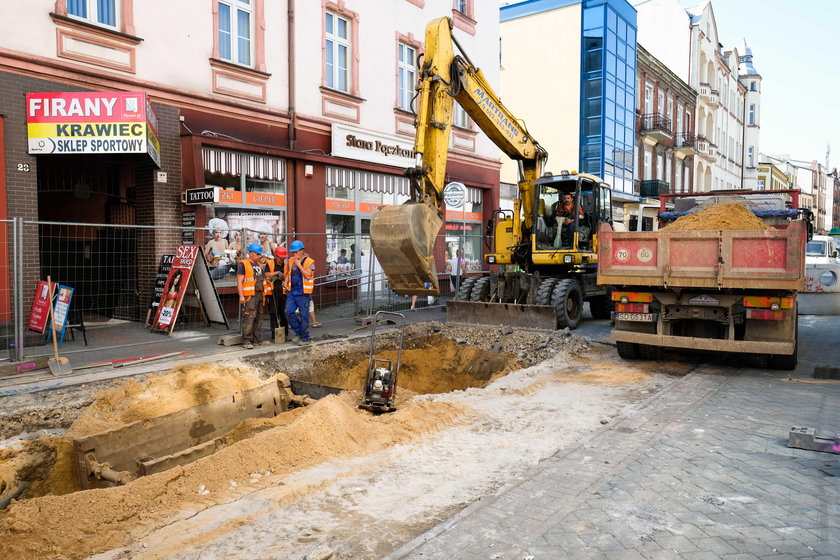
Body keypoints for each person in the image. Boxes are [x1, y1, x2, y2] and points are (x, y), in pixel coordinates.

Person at [237, 243, 270, 349]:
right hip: (249, 295)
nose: (260, 256)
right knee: (249, 317)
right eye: (258, 254)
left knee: (259, 317)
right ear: (251, 253)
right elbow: (239, 281)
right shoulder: (243, 264)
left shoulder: (259, 265)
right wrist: (241, 296)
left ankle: (257, 339)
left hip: (259, 294)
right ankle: (246, 340)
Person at [284, 240, 316, 346]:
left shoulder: (309, 262)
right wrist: (286, 281)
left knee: (304, 316)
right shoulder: (290, 260)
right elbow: (289, 273)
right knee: (288, 312)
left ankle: (305, 338)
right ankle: (299, 332)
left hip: (303, 293)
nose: (294, 254)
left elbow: (308, 275)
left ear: (302, 251)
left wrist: (299, 265)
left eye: (296, 252)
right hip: (292, 291)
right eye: (293, 252)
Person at [265, 246, 289, 342]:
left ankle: (285, 334)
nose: (282, 260)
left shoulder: (286, 264)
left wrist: (284, 278)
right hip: (272, 291)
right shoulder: (269, 263)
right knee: (274, 313)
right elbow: (266, 274)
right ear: (276, 256)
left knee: (283, 313)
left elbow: (288, 276)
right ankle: (275, 335)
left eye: (283, 258)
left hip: (283, 292)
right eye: (280, 258)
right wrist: (277, 273)